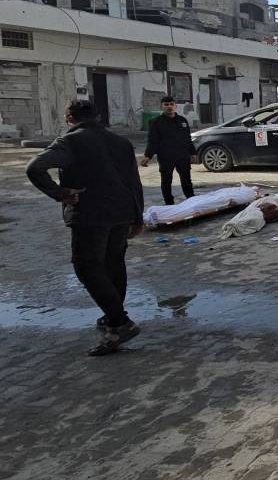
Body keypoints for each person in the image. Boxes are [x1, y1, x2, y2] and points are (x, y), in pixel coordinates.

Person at [26, 100, 144, 356]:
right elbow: (134, 182)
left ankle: (119, 322)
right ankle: (114, 321)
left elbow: (34, 167)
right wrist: (138, 217)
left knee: (87, 266)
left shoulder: (71, 142)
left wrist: (61, 193)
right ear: (98, 117)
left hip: (91, 214)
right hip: (122, 211)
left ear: (69, 118)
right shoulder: (121, 142)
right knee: (114, 264)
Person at [141, 96, 196, 205]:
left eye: (171, 104)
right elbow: (153, 141)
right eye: (166, 105)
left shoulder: (182, 121)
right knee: (166, 181)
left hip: (182, 156)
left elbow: (187, 138)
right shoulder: (156, 122)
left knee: (186, 180)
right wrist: (148, 156)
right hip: (166, 157)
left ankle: (191, 200)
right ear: (161, 106)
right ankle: (169, 203)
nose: (169, 107)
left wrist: (193, 152)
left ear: (175, 106)